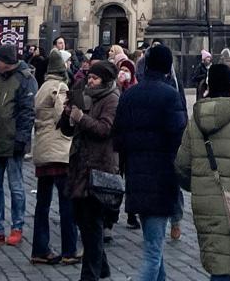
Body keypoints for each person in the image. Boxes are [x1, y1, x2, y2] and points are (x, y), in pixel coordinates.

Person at [176, 61, 230, 281]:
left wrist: (198, 185)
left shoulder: (195, 119)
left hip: (204, 202)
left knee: (220, 257)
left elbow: (181, 165)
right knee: (224, 264)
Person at [112, 43, 187, 281]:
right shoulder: (170, 95)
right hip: (162, 178)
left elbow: (117, 138)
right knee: (153, 253)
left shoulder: (129, 94)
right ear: (168, 68)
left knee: (154, 244)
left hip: (136, 175)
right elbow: (179, 139)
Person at [62, 58, 121, 281]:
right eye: (90, 77)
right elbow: (69, 130)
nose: (90, 81)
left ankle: (90, 275)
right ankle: (101, 266)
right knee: (82, 219)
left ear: (104, 80)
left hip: (99, 166)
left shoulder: (112, 99)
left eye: (95, 78)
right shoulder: (85, 95)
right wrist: (68, 116)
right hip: (80, 165)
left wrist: (81, 118)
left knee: (92, 222)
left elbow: (105, 129)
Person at [0, 41, 37, 247]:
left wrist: (21, 139)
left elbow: (27, 113)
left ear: (7, 62)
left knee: (16, 186)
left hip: (13, 141)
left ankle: (17, 227)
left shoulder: (25, 79)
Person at [30, 47, 79, 265]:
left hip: (42, 148)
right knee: (66, 202)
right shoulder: (60, 87)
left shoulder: (42, 87)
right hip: (59, 151)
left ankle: (39, 249)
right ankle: (69, 250)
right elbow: (63, 117)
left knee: (42, 203)